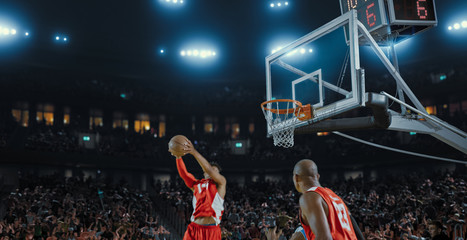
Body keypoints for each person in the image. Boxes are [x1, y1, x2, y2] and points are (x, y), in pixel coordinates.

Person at [266, 159, 361, 240]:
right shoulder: (335, 196)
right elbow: (356, 229)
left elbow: (324, 238)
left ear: (296, 177)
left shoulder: (310, 197)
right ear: (317, 176)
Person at [170, 138, 227, 240]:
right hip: (194, 228)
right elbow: (184, 175)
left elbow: (208, 169)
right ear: (204, 173)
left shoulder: (221, 183)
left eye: (215, 171)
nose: (212, 172)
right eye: (210, 170)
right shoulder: (196, 185)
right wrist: (178, 157)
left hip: (211, 230)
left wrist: (193, 152)